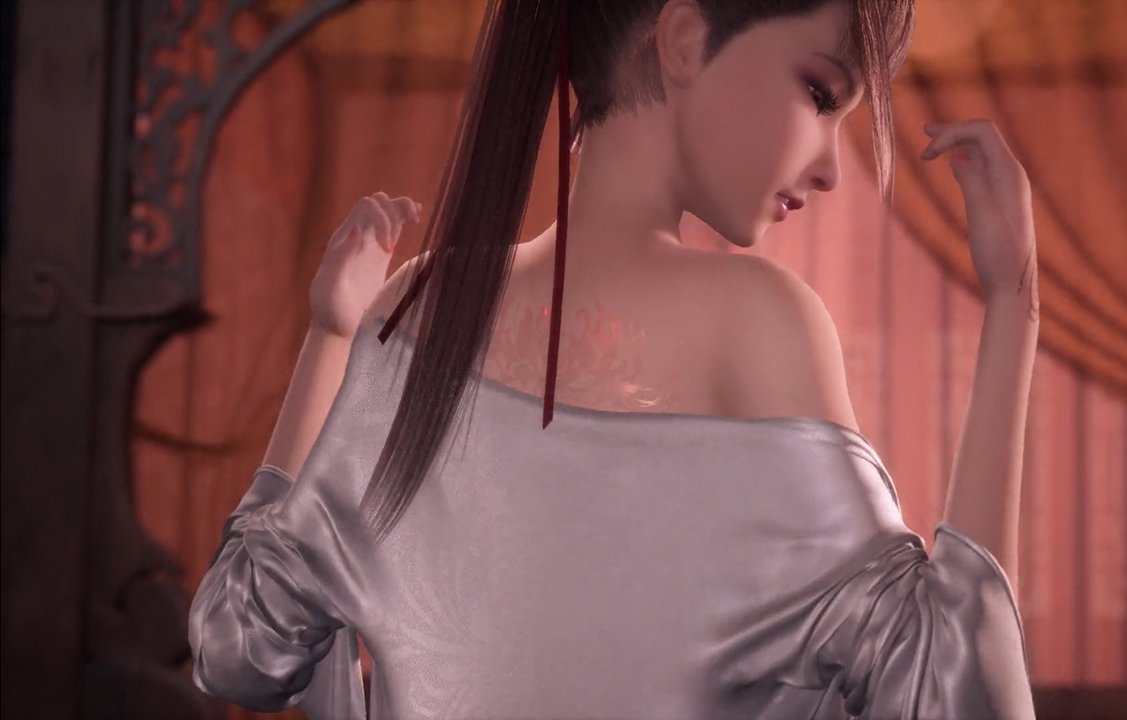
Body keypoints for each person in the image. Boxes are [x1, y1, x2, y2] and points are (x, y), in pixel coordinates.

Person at [188, 0, 1040, 717]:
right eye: (819, 94)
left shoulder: (418, 305)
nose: (828, 169)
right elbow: (947, 691)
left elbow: (240, 643)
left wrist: (332, 338)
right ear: (684, 40)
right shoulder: (756, 320)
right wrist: (1013, 302)